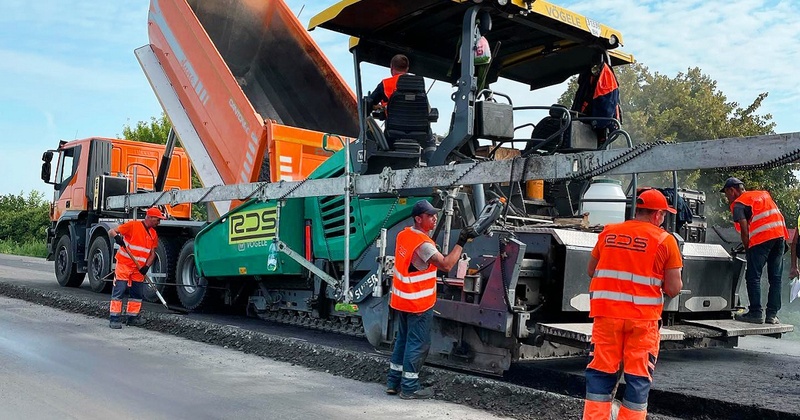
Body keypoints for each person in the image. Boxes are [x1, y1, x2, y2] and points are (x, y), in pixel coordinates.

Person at [583, 189, 683, 420]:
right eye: (664, 214)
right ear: (657, 214)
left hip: (606, 316)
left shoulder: (609, 232)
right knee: (638, 377)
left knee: (600, 373)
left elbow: (591, 270)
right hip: (642, 320)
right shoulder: (665, 240)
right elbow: (673, 288)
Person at [386, 200, 477, 399]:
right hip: (418, 302)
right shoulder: (423, 245)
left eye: (435, 214)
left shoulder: (404, 235)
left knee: (402, 340)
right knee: (417, 344)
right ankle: (409, 388)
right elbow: (446, 265)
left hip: (402, 299)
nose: (435, 218)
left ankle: (393, 382)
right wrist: (461, 241)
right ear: (418, 219)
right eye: (430, 215)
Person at [721, 177, 788, 324]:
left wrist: (748, 249)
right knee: (775, 278)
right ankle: (772, 315)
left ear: (732, 190)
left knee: (753, 276)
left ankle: (755, 313)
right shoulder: (762, 194)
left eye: (726, 194)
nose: (727, 198)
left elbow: (744, 230)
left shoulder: (739, 203)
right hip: (780, 237)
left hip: (762, 239)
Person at [107, 207, 165, 329]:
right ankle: (114, 319)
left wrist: (146, 266)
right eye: (158, 219)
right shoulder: (133, 226)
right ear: (150, 217)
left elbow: (152, 254)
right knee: (119, 291)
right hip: (124, 264)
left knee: (137, 294)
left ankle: (132, 318)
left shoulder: (153, 234)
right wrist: (117, 238)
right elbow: (111, 231)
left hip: (139, 269)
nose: (159, 222)